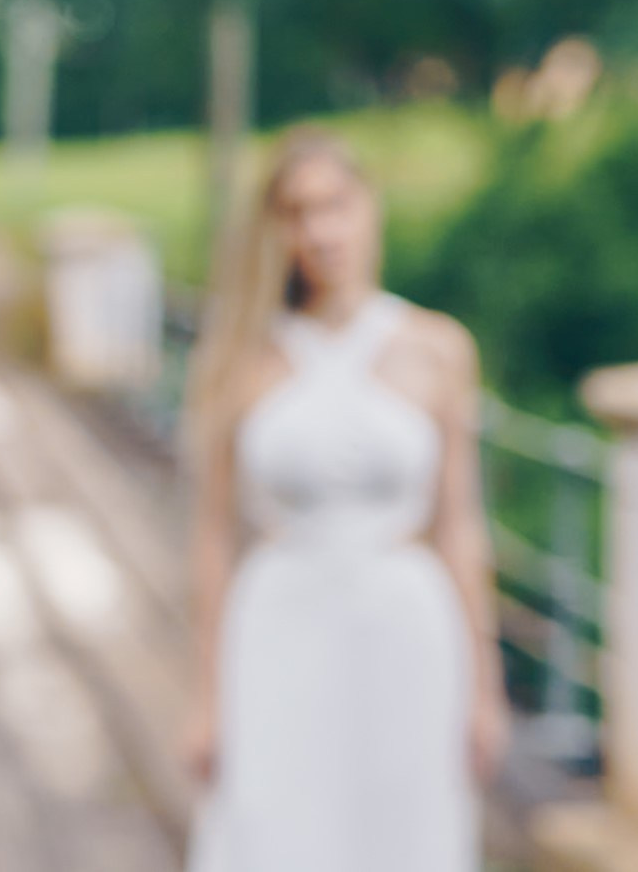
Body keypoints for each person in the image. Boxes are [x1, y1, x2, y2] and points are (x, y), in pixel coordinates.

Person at [181, 126, 508, 871]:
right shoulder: (238, 354)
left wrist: (485, 690)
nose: (321, 229)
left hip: (406, 628)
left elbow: (460, 526)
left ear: (370, 208)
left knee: (404, 831)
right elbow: (211, 535)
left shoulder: (438, 347)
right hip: (278, 625)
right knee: (275, 829)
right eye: (298, 211)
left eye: (336, 204)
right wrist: (204, 699)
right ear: (276, 229)